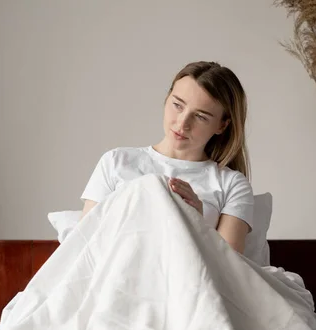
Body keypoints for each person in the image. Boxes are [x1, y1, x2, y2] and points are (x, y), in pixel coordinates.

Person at [80, 61, 254, 253]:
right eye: (178, 105)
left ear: (222, 126)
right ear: (166, 99)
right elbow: (84, 245)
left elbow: (232, 269)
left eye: (201, 116)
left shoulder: (232, 184)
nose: (182, 123)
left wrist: (198, 224)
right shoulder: (115, 162)